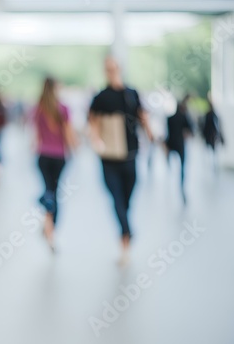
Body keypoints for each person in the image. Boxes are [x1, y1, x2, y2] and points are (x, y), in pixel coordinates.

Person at [89, 56, 153, 266]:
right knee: (116, 197)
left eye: (114, 68)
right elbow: (93, 123)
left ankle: (124, 233)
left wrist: (150, 133)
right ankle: (126, 232)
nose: (111, 72)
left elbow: (143, 116)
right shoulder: (100, 97)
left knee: (126, 198)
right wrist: (96, 141)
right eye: (108, 69)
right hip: (109, 157)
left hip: (130, 155)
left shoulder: (131, 94)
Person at [33, 78, 78, 251]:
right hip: (59, 156)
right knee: (55, 192)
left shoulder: (38, 109)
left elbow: (36, 134)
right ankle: (50, 228)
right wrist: (75, 147)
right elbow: (68, 133)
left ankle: (48, 223)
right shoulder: (63, 109)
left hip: (43, 155)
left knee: (48, 190)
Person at [165, 94, 194, 204]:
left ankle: (170, 170)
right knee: (182, 166)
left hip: (171, 143)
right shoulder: (183, 117)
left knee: (172, 161)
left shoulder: (170, 118)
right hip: (180, 144)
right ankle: (181, 185)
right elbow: (191, 129)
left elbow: (167, 132)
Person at [202, 98, 225, 172]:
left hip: (212, 136)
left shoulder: (212, 114)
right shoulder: (211, 114)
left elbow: (216, 126)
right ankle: (212, 165)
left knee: (213, 151)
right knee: (211, 151)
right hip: (211, 135)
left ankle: (214, 165)